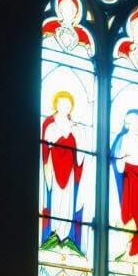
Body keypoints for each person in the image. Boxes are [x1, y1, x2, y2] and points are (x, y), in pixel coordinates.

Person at [41, 92, 85, 253]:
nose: (65, 107)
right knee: (57, 199)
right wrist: (64, 130)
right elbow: (48, 143)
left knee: (67, 201)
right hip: (55, 166)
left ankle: (66, 235)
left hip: (70, 169)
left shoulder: (76, 127)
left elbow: (81, 152)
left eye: (68, 105)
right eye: (62, 104)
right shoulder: (51, 126)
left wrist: (76, 132)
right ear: (56, 105)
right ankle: (55, 233)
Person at [111, 109, 138, 261]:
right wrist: (125, 160)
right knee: (128, 211)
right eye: (135, 123)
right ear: (128, 124)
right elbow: (118, 162)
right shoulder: (123, 139)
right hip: (129, 179)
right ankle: (127, 247)